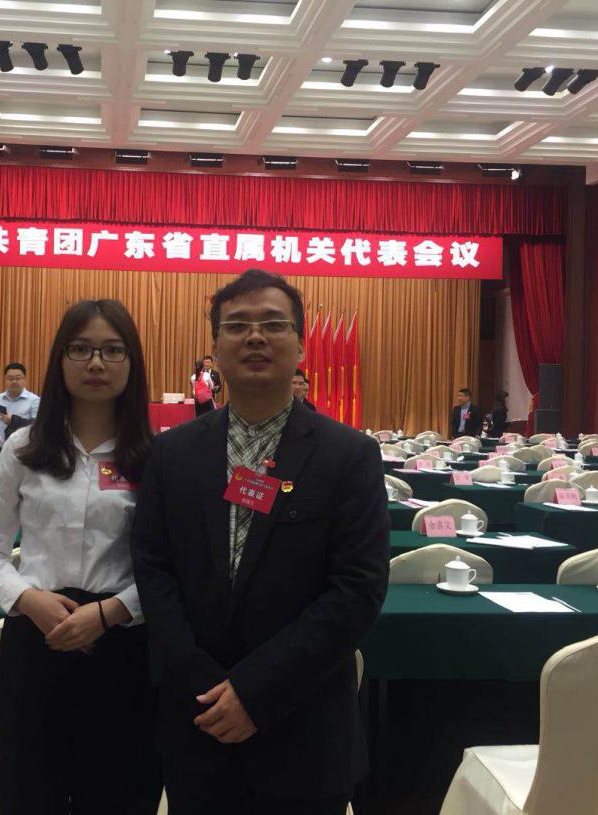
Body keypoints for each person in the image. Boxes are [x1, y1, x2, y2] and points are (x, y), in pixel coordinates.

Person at [131, 268, 390, 814]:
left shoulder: (350, 456)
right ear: (214, 349)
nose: (255, 337)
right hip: (197, 724)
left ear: (301, 346)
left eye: (274, 324)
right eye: (237, 325)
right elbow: (153, 570)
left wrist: (254, 691)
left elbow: (357, 590)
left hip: (304, 734)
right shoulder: (172, 453)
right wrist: (202, 683)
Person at [0, 300, 161, 815]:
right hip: (37, 642)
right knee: (32, 794)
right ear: (60, 360)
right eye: (80, 349)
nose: (96, 362)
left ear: (132, 362)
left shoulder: (155, 456)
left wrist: (113, 611)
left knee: (120, 795)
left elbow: (171, 567)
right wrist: (27, 599)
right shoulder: (24, 448)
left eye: (112, 350)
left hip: (123, 647)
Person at [0, 363, 40, 449]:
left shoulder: (34, 400)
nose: (14, 382)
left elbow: (36, 427)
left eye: (18, 378)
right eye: (10, 378)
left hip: (22, 451)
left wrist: (12, 421)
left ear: (25, 380)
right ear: (5, 380)